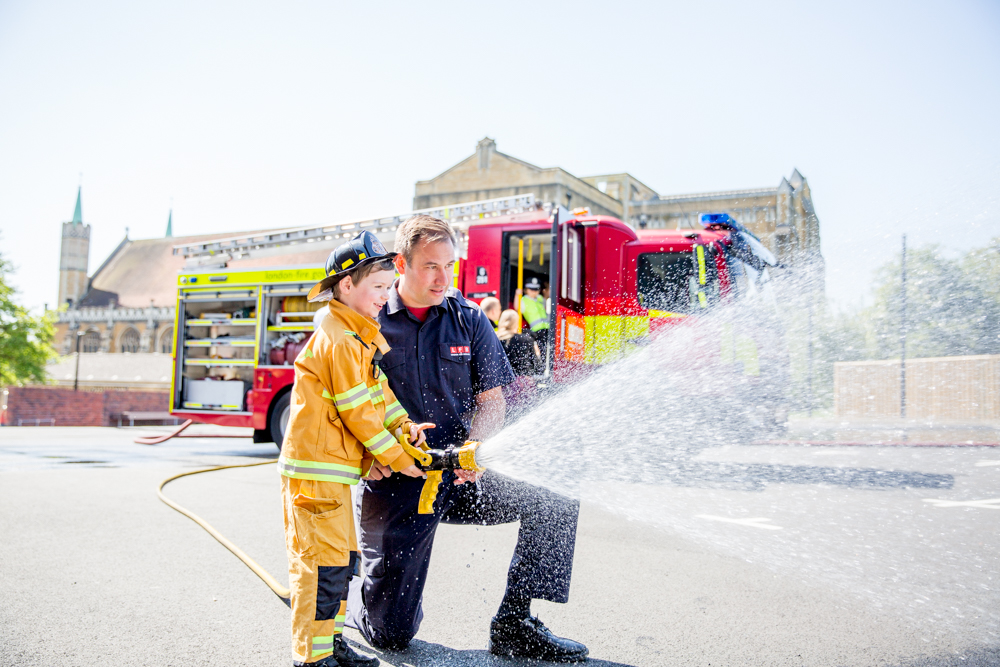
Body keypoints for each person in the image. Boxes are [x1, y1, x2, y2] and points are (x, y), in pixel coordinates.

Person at [347, 215, 588, 662]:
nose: (443, 278)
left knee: (556, 489)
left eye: (449, 266)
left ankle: (515, 624)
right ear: (401, 263)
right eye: (430, 266)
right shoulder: (369, 322)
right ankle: (355, 588)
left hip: (461, 476)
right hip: (398, 481)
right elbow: (345, 405)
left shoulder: (469, 319)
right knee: (391, 636)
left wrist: (471, 451)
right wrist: (368, 455)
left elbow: (492, 398)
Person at [280, 230, 433, 667]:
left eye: (388, 288)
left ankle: (332, 646)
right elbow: (359, 415)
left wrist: (405, 427)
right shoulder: (341, 340)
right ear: (347, 285)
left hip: (331, 474)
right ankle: (312, 658)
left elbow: (378, 397)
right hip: (315, 474)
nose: (387, 297)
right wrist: (402, 460)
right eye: (379, 288)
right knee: (320, 569)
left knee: (340, 563)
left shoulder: (357, 335)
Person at [496, 308, 541, 413]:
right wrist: (538, 355)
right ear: (516, 323)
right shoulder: (526, 339)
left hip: (501, 386)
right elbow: (537, 366)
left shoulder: (494, 339)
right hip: (523, 385)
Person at [514, 276, 550, 347]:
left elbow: (547, 297)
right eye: (531, 289)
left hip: (547, 327)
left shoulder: (540, 298)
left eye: (536, 290)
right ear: (526, 290)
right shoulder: (523, 300)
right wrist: (517, 295)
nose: (534, 292)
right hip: (536, 330)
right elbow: (517, 307)